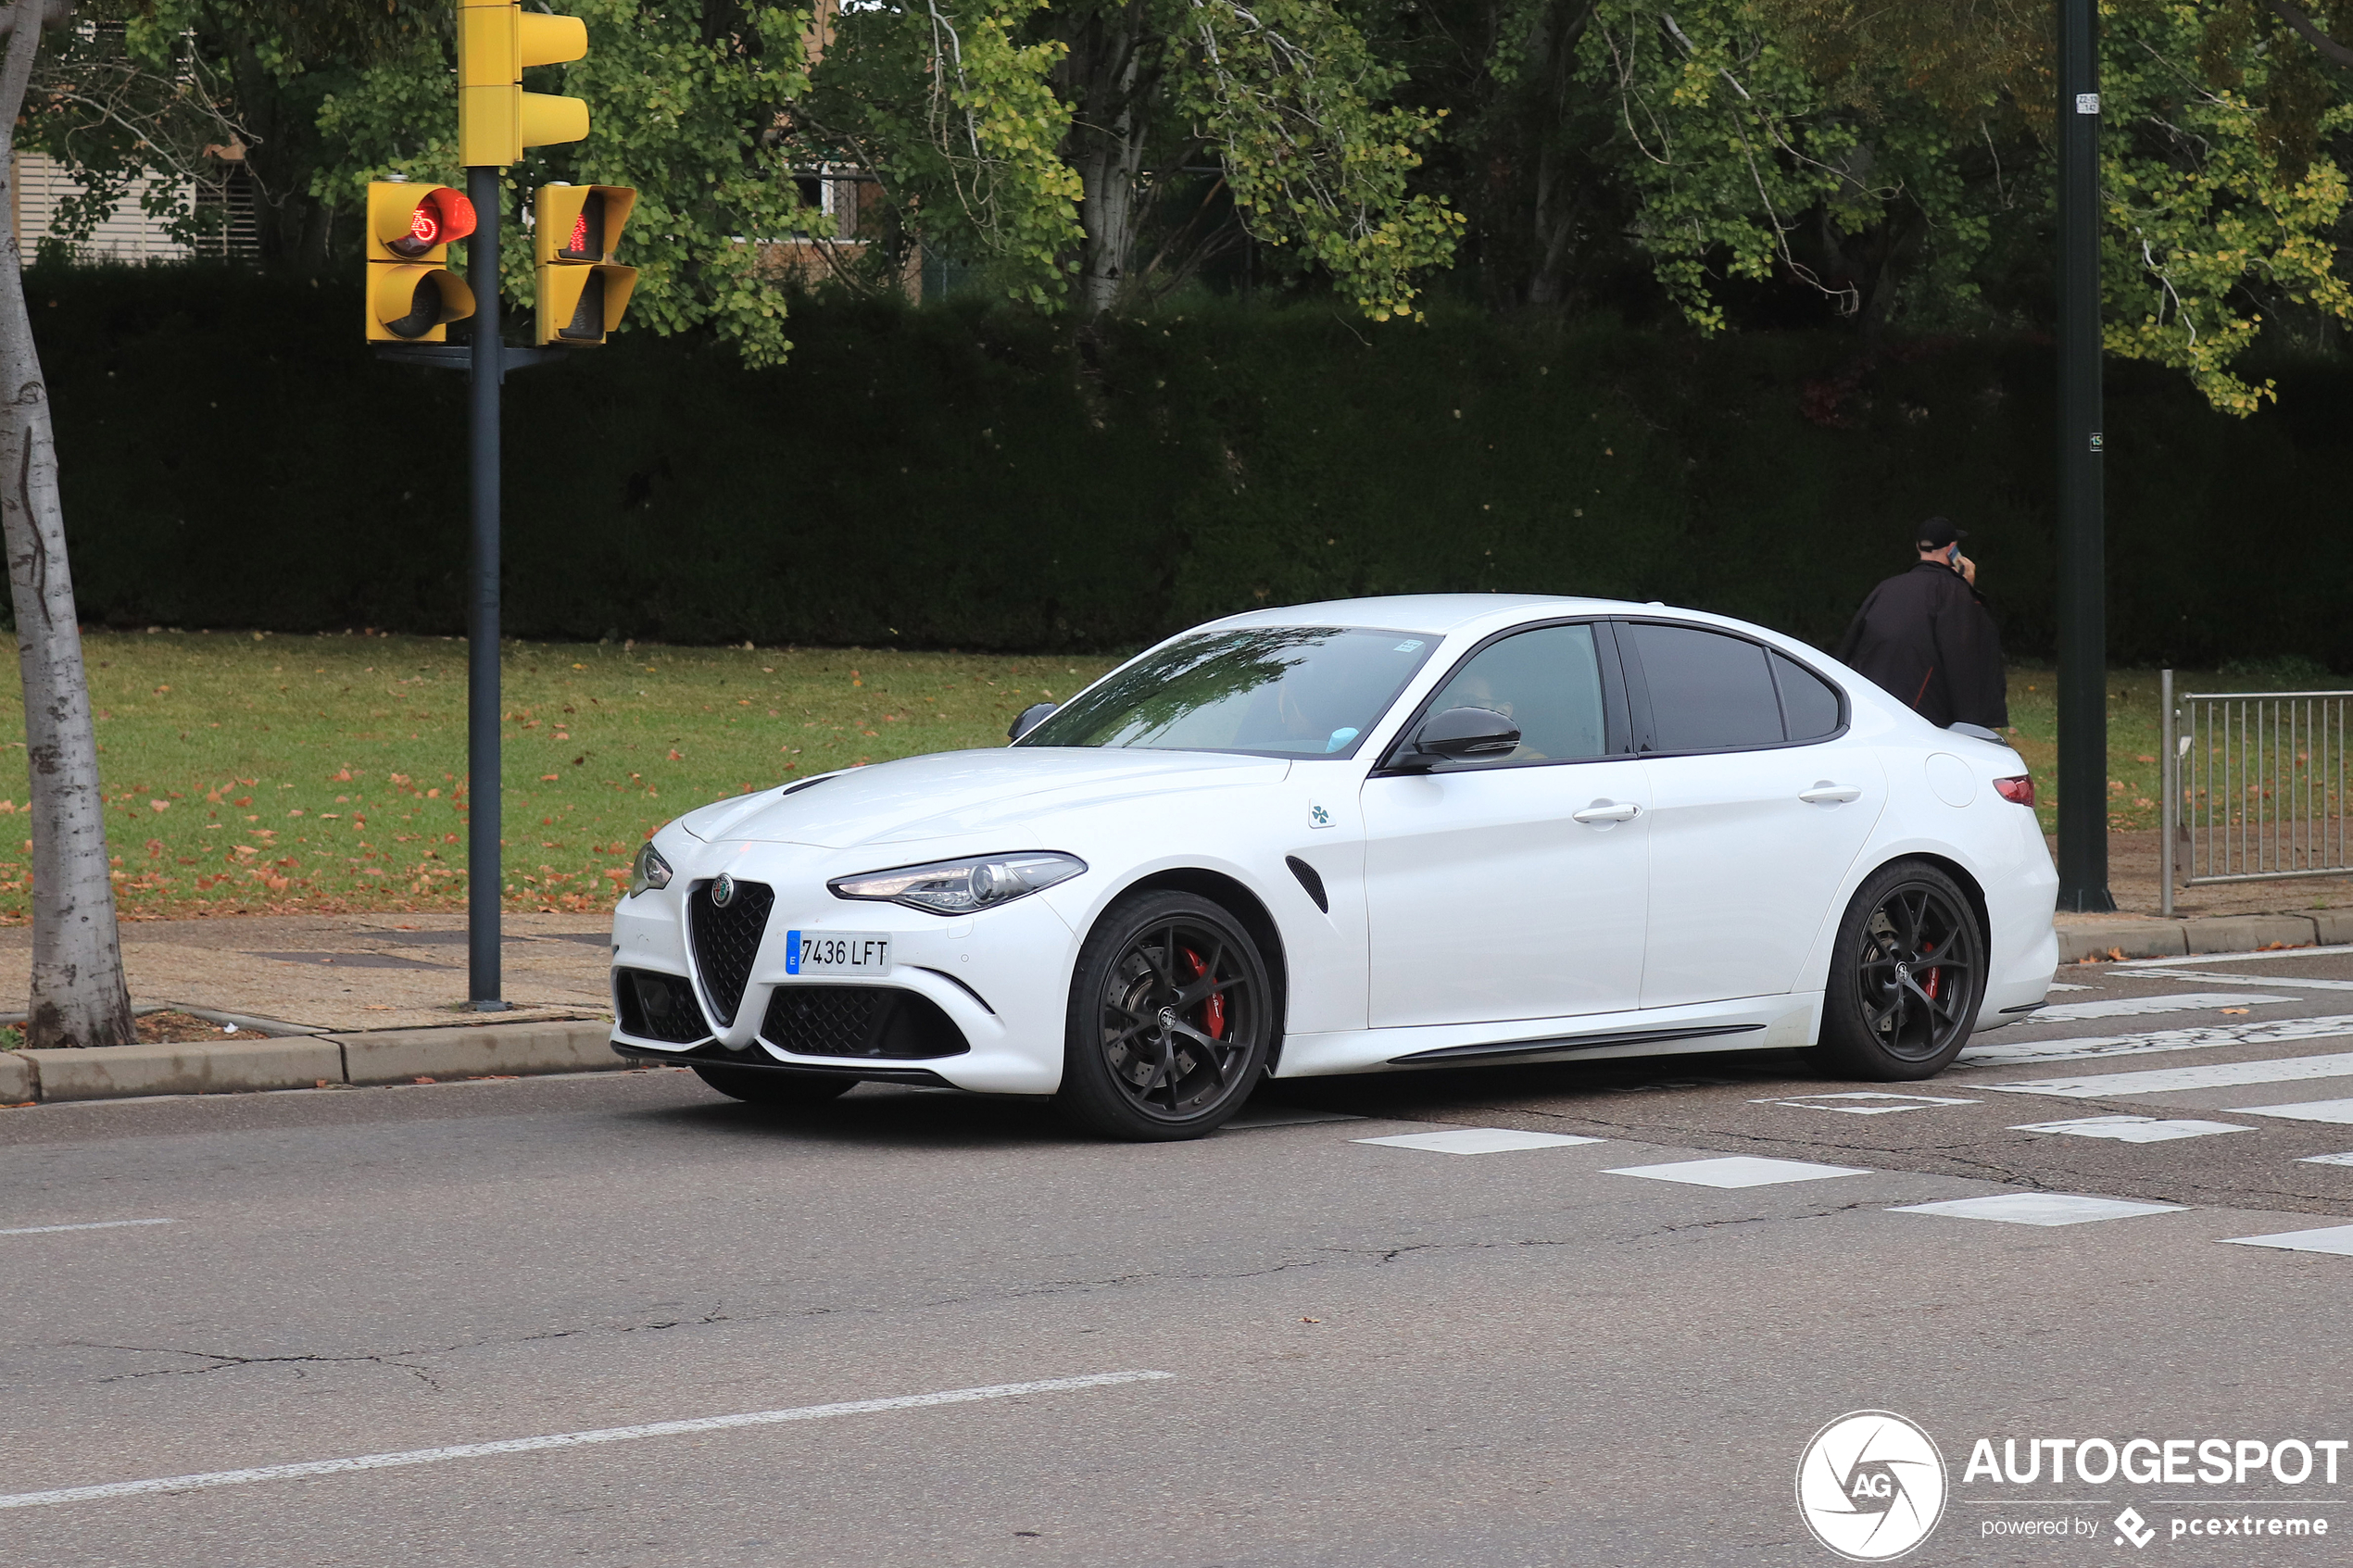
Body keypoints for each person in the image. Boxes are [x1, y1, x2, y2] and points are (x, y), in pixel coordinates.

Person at [1833, 517, 2008, 731]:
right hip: (1924, 714)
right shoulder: (1954, 593)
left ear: (1918, 546)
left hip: (1875, 705)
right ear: (1952, 549)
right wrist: (1966, 588)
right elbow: (1968, 652)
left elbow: (1850, 645)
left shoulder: (1887, 588)